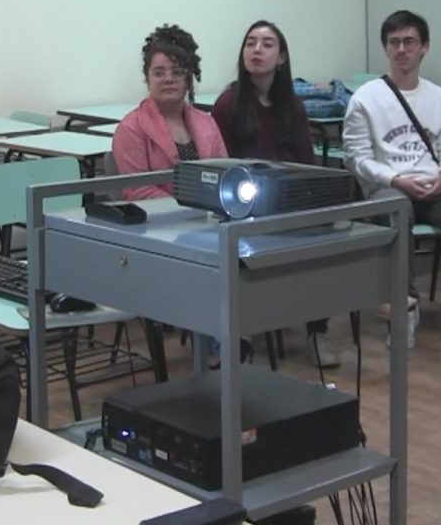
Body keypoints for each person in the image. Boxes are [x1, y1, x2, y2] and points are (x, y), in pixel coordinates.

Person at [343, 10, 441, 348]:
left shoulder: (439, 97)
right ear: (385, 48)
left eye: (409, 41)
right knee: (397, 213)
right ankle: (404, 308)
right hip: (388, 186)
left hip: (435, 187)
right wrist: (397, 180)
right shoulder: (365, 98)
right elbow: (357, 159)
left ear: (424, 47)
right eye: (394, 42)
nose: (402, 49)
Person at [211, 20, 340, 368]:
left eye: (267, 44)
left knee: (321, 238)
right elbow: (219, 163)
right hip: (242, 209)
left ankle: (317, 330)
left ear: (281, 57)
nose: (257, 50)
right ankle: (239, 335)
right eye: (250, 42)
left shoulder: (292, 107)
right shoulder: (227, 104)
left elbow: (307, 164)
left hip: (287, 206)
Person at [113, 24, 228, 200]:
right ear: (147, 79)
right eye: (159, 73)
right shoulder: (131, 128)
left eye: (177, 72)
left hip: (209, 216)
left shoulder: (208, 124)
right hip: (156, 222)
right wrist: (188, 206)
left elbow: (225, 173)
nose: (168, 79)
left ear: (188, 79)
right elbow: (137, 190)